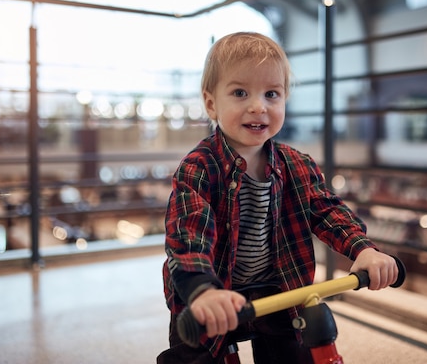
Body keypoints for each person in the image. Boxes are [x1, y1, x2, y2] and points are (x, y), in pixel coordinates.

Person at [157, 32, 399, 364]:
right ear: (211, 103)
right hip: (212, 290)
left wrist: (363, 249)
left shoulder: (297, 164)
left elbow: (327, 212)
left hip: (278, 285)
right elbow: (188, 236)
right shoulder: (199, 168)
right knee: (196, 355)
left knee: (296, 354)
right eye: (240, 93)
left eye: (272, 94)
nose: (259, 106)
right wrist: (202, 290)